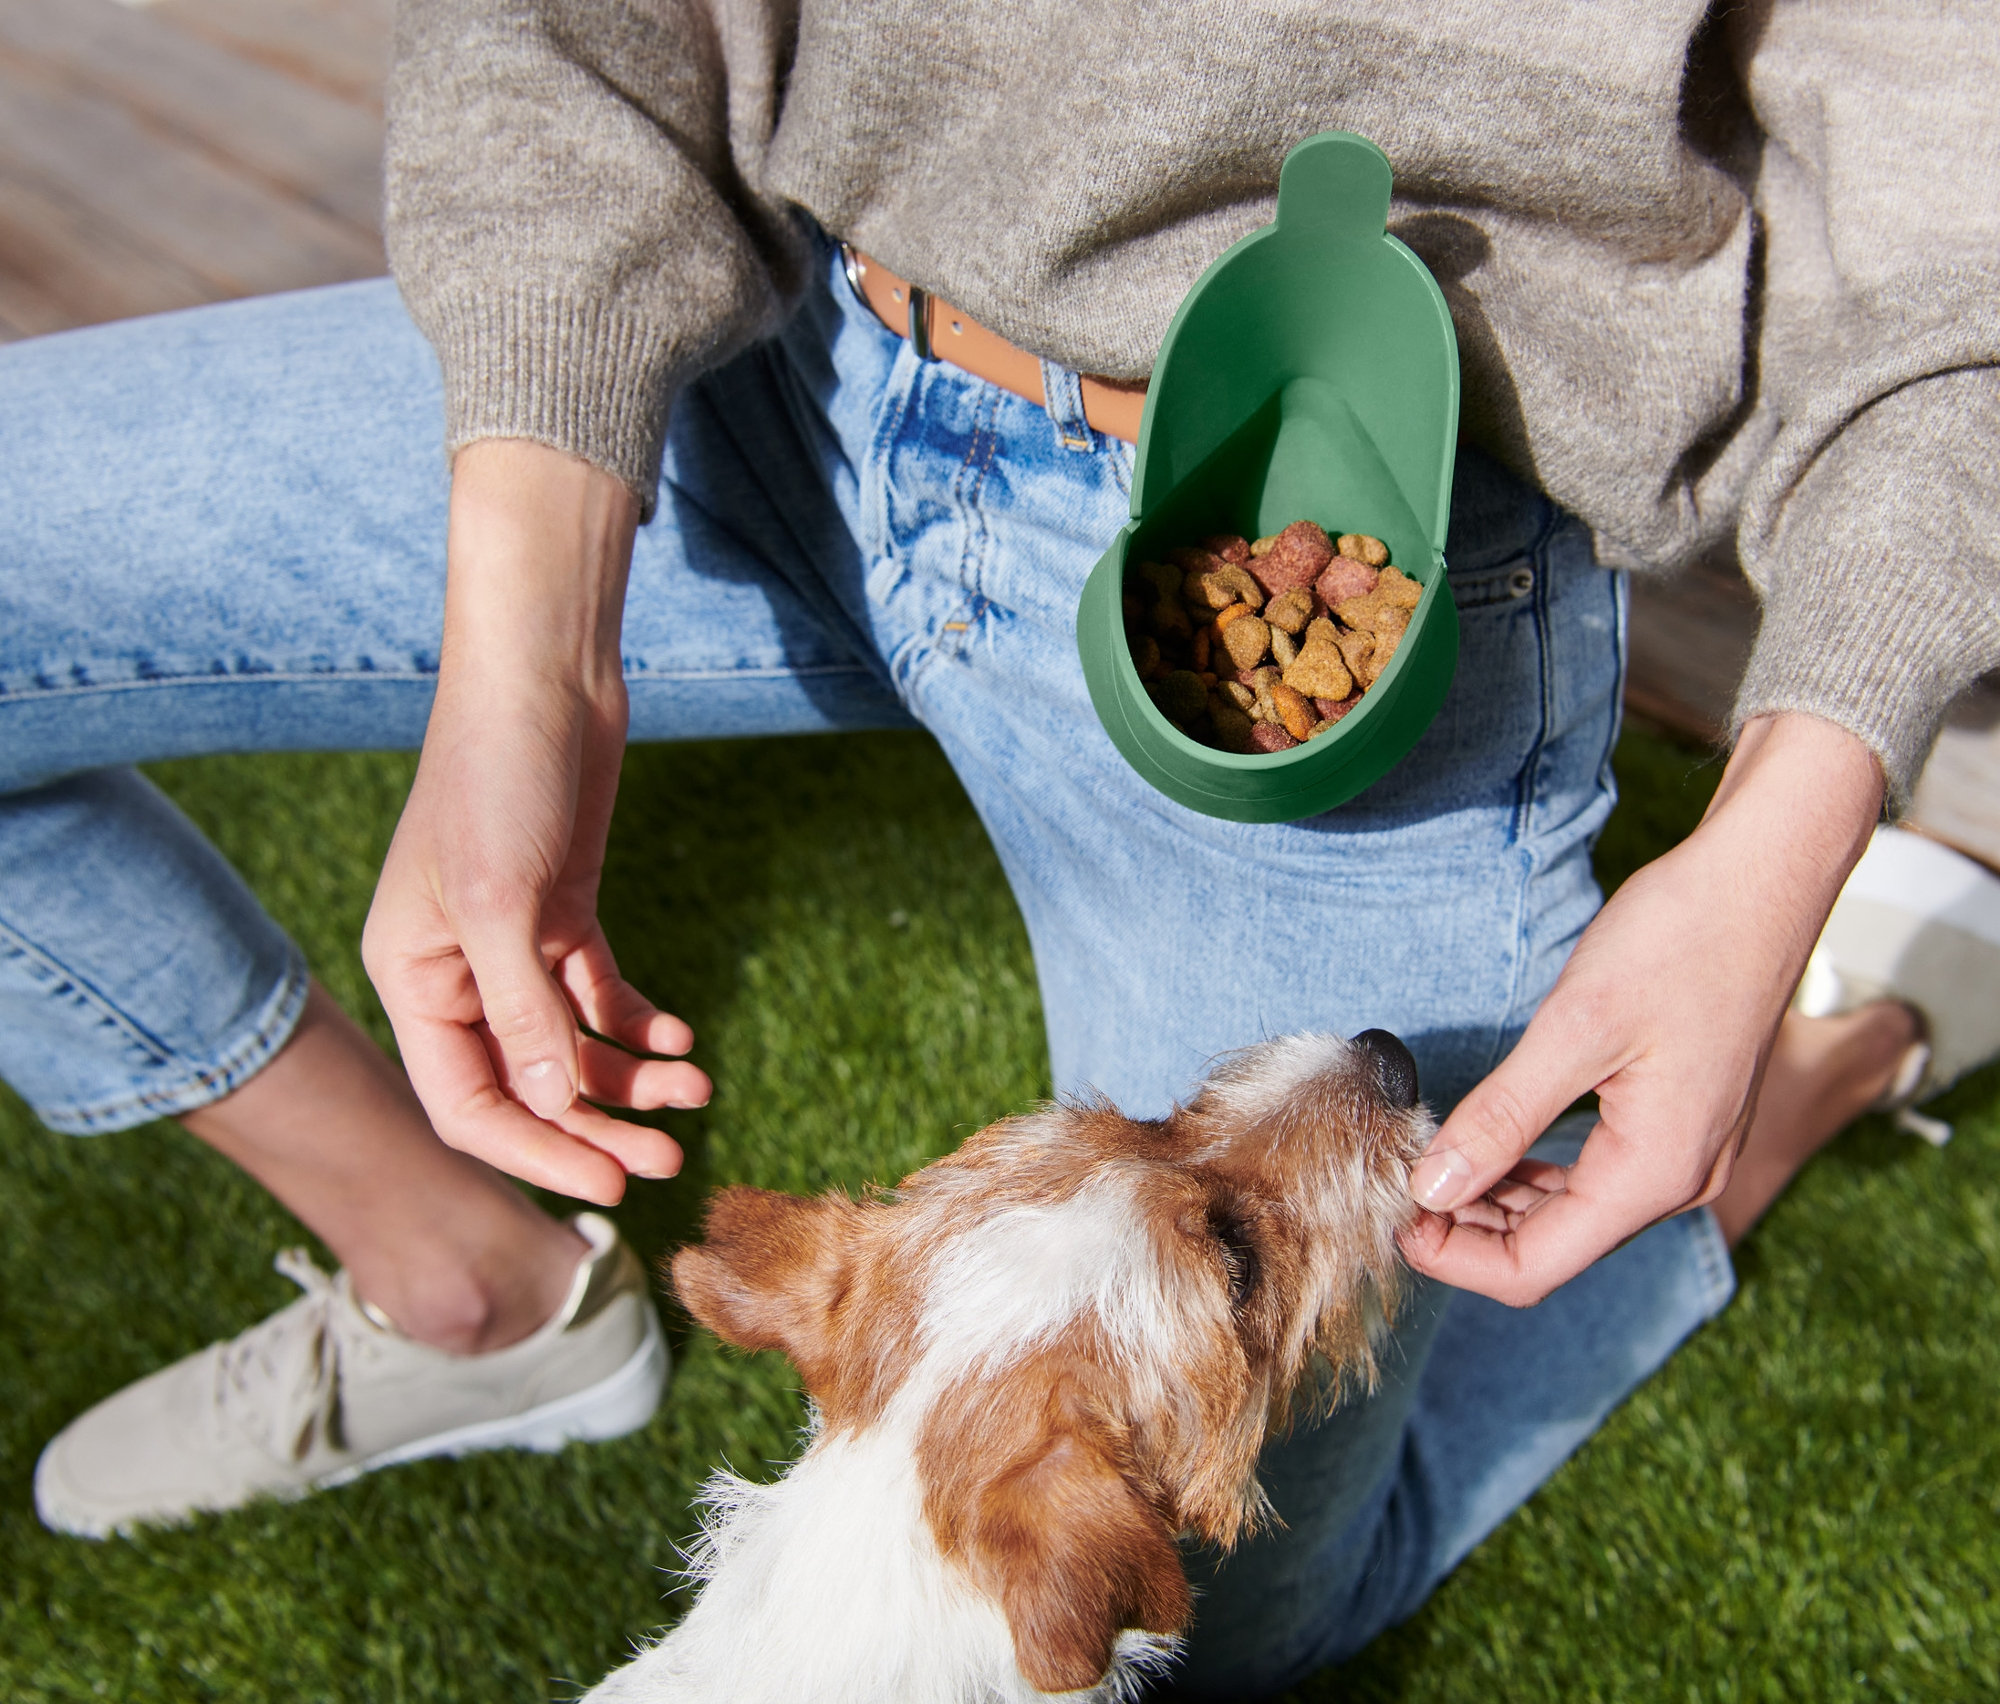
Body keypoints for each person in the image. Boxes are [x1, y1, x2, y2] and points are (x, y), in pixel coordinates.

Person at [2, 0, 1994, 1692]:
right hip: (788, 369)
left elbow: (1960, 257)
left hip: (1367, 563)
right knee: (1348, 1225)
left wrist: (1779, 836)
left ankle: (1842, 1042)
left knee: (1246, 1613)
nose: (1267, 1105)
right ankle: (459, 1285)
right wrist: (532, 651)